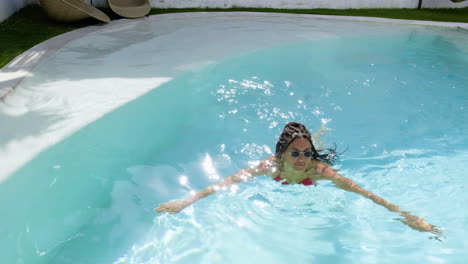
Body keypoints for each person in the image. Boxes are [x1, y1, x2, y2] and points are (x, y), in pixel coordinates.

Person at [155, 122, 442, 235]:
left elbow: (367, 195)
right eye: (295, 154)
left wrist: (408, 216)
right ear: (281, 155)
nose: (302, 159)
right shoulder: (269, 166)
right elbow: (224, 184)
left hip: (315, 175)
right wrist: (186, 201)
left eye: (307, 153)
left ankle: (319, 135)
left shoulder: (321, 171)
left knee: (320, 146)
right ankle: (316, 133)